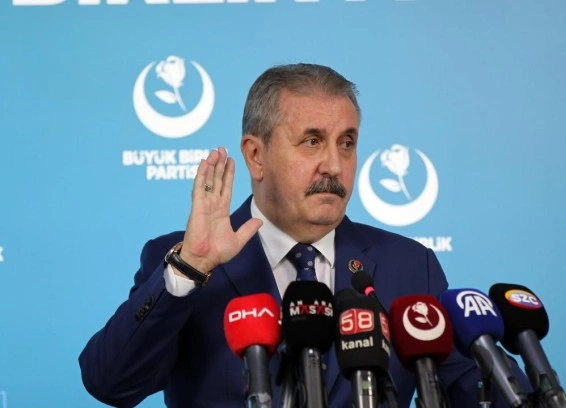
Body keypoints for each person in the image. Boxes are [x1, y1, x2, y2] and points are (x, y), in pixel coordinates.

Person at [79, 63, 532, 407]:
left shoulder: (409, 266)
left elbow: (476, 388)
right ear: (256, 156)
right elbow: (112, 383)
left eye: (347, 142)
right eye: (312, 141)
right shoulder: (183, 262)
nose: (334, 165)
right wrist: (189, 270)